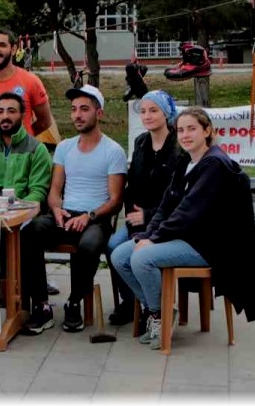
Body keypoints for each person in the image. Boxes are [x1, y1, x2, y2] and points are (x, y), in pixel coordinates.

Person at [111, 107, 255, 350]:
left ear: (207, 131)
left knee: (142, 258)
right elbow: (165, 207)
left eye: (192, 129)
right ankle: (160, 312)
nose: (185, 135)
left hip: (206, 245)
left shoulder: (214, 164)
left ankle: (158, 314)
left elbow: (188, 211)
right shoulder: (186, 162)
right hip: (182, 237)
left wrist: (154, 240)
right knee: (119, 255)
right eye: (181, 130)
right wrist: (148, 233)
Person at [25, 84, 126, 333]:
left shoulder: (113, 150)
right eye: (73, 110)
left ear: (98, 113)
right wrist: (56, 210)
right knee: (29, 232)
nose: (77, 115)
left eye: (84, 109)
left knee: (89, 245)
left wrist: (88, 216)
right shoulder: (64, 147)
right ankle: (41, 305)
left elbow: (115, 200)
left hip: (95, 218)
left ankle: (74, 302)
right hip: (65, 214)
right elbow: (55, 191)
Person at [0, 92, 55, 334]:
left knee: (26, 235)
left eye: (11, 111)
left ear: (23, 115)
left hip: (26, 217)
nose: (5, 116)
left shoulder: (36, 149)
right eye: (0, 111)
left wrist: (12, 212)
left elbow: (37, 192)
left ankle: (41, 306)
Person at [107, 90, 183, 329]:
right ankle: (133, 303)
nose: (147, 116)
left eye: (153, 110)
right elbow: (132, 187)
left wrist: (148, 216)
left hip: (166, 221)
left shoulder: (179, 148)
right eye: (143, 111)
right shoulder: (140, 143)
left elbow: (177, 195)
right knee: (112, 245)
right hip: (139, 219)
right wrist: (133, 218)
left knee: (135, 252)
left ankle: (154, 308)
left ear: (166, 113)